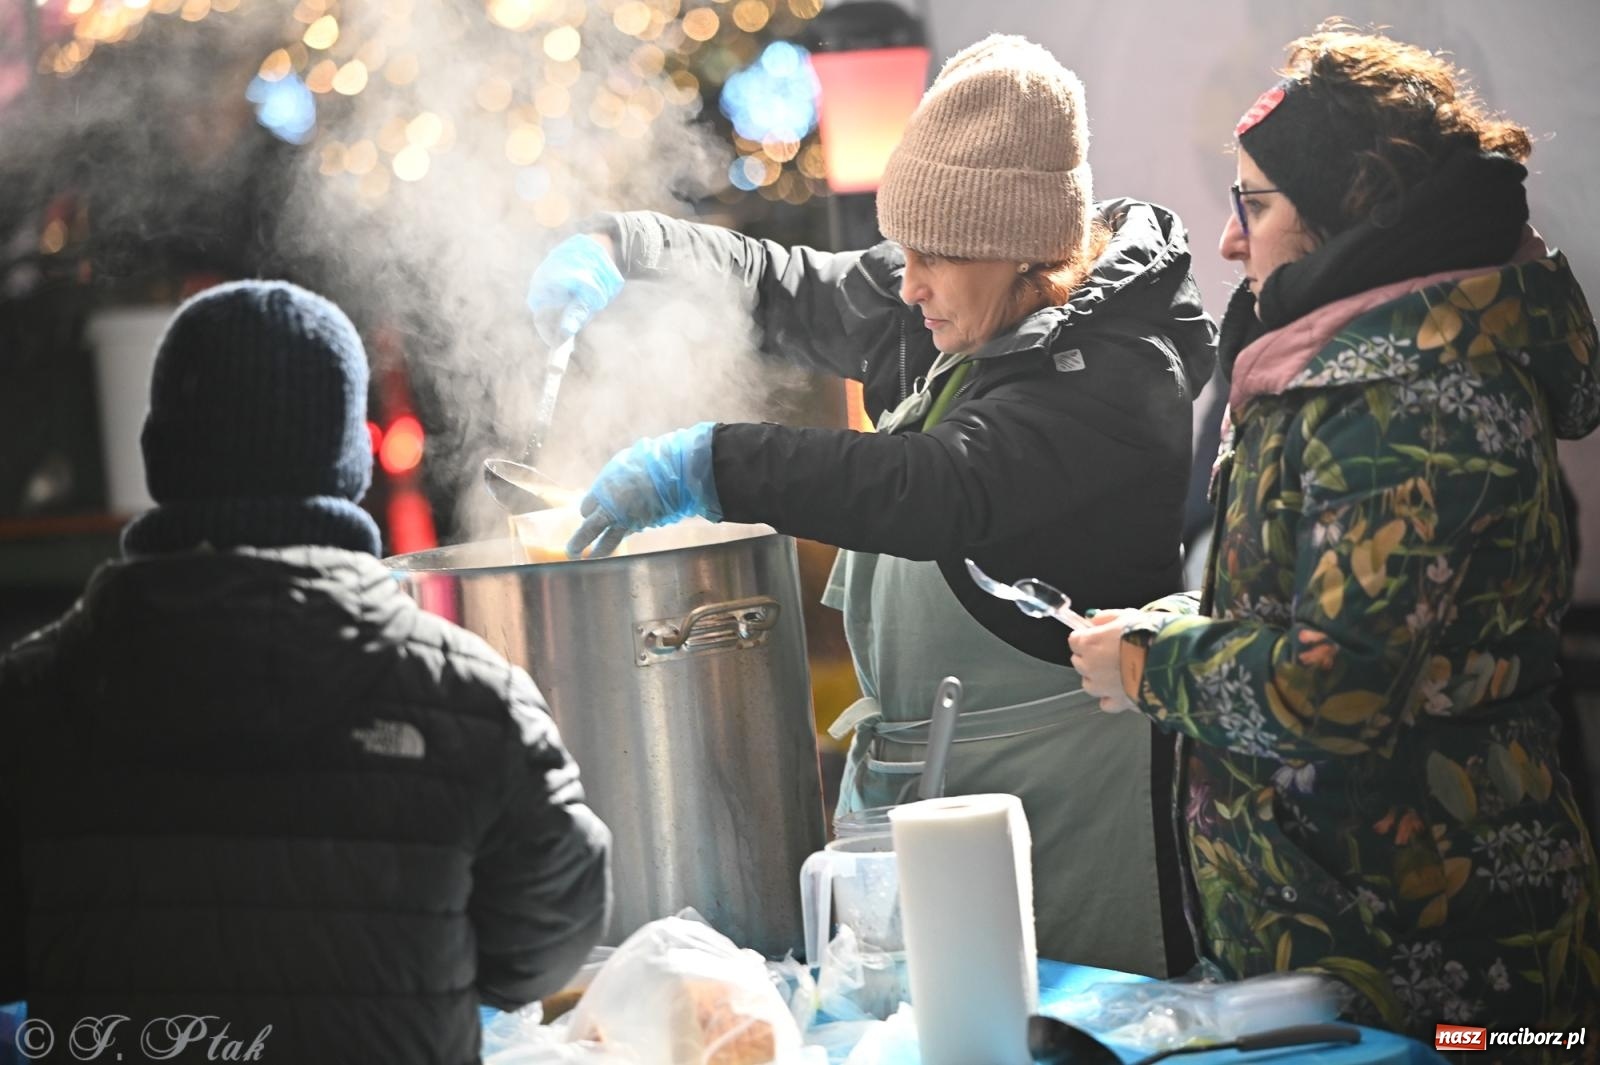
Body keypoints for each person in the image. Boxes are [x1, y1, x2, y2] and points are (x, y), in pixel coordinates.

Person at [528, 35, 1215, 976]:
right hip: (932, 807)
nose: (907, 284)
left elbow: (935, 488)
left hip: (1077, 824)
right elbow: (777, 288)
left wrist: (710, 462)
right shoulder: (946, 300)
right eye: (906, 252)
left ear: (1023, 255)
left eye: (933, 258)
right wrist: (627, 245)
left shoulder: (1116, 376)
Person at [1068, 23, 1600, 1042]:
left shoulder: (1414, 399)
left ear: (1347, 217)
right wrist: (1176, 619)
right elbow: (1317, 607)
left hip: (1440, 966)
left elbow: (1342, 680)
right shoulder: (1344, 374)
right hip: (1345, 931)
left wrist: (1151, 665)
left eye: (1254, 207)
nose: (1229, 240)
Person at [0, 281, 612, 1063]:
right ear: (350, 461)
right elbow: (549, 935)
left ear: (157, 452)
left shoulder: (29, 697)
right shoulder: (472, 701)